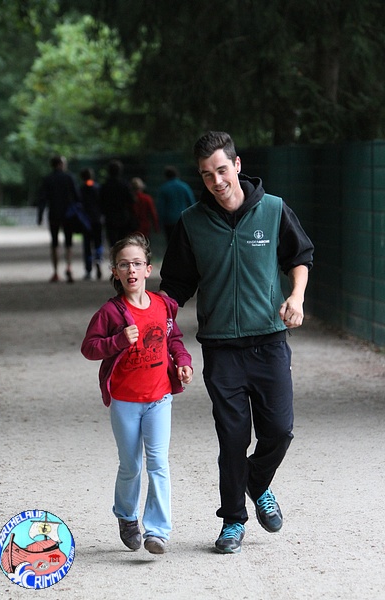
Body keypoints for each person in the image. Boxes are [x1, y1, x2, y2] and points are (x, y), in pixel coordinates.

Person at [159, 131, 314, 554]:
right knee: (232, 437)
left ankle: (256, 482)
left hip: (269, 341)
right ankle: (232, 520)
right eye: (206, 174)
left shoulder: (274, 210)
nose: (217, 181)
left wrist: (296, 297)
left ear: (237, 165)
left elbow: (299, 256)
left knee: (279, 431)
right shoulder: (192, 222)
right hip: (221, 346)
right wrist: (152, 316)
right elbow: (176, 284)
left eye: (222, 170)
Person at [81, 233, 193, 554]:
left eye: (137, 264)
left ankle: (157, 531)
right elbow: (89, 347)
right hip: (125, 401)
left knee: (158, 463)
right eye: (123, 265)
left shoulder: (162, 305)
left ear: (148, 269)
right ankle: (127, 517)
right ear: (115, 272)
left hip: (159, 398)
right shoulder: (110, 312)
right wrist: (118, 340)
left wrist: (183, 362)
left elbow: (174, 338)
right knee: (131, 465)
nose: (131, 270)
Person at [37, 155, 80, 282]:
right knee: (68, 242)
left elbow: (42, 199)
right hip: (68, 215)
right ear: (60, 164)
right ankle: (69, 267)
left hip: (54, 214)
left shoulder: (47, 179)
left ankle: (55, 272)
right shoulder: (69, 177)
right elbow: (77, 196)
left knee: (54, 243)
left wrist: (40, 215)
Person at [100, 160, 138, 248]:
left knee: (112, 242)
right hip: (123, 217)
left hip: (110, 217)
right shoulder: (125, 185)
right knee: (123, 242)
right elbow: (132, 200)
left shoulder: (105, 186)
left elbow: (100, 201)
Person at [157, 166, 196, 243]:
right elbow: (192, 203)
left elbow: (161, 208)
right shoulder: (185, 186)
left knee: (171, 242)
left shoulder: (163, 188)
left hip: (169, 221)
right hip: (183, 219)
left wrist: (160, 222)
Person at [79, 167, 103, 280]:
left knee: (87, 246)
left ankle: (88, 270)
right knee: (98, 242)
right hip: (97, 219)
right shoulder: (98, 188)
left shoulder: (81, 189)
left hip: (86, 221)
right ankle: (98, 259)